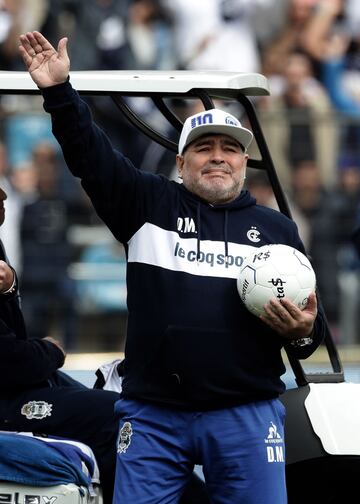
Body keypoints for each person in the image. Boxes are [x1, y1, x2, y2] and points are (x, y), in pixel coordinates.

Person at [19, 31, 326, 504]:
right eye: (205, 148)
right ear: (182, 162)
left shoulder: (278, 230)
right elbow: (90, 158)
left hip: (246, 415)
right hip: (153, 417)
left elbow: (309, 337)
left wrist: (302, 331)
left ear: (245, 162)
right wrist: (59, 93)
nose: (218, 157)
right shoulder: (147, 202)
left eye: (230, 148)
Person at [0, 181, 121, 503]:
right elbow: (11, 362)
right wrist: (51, 350)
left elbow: (13, 336)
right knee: (114, 417)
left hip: (18, 385)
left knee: (125, 408)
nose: (3, 202)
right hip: (8, 395)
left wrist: (9, 289)